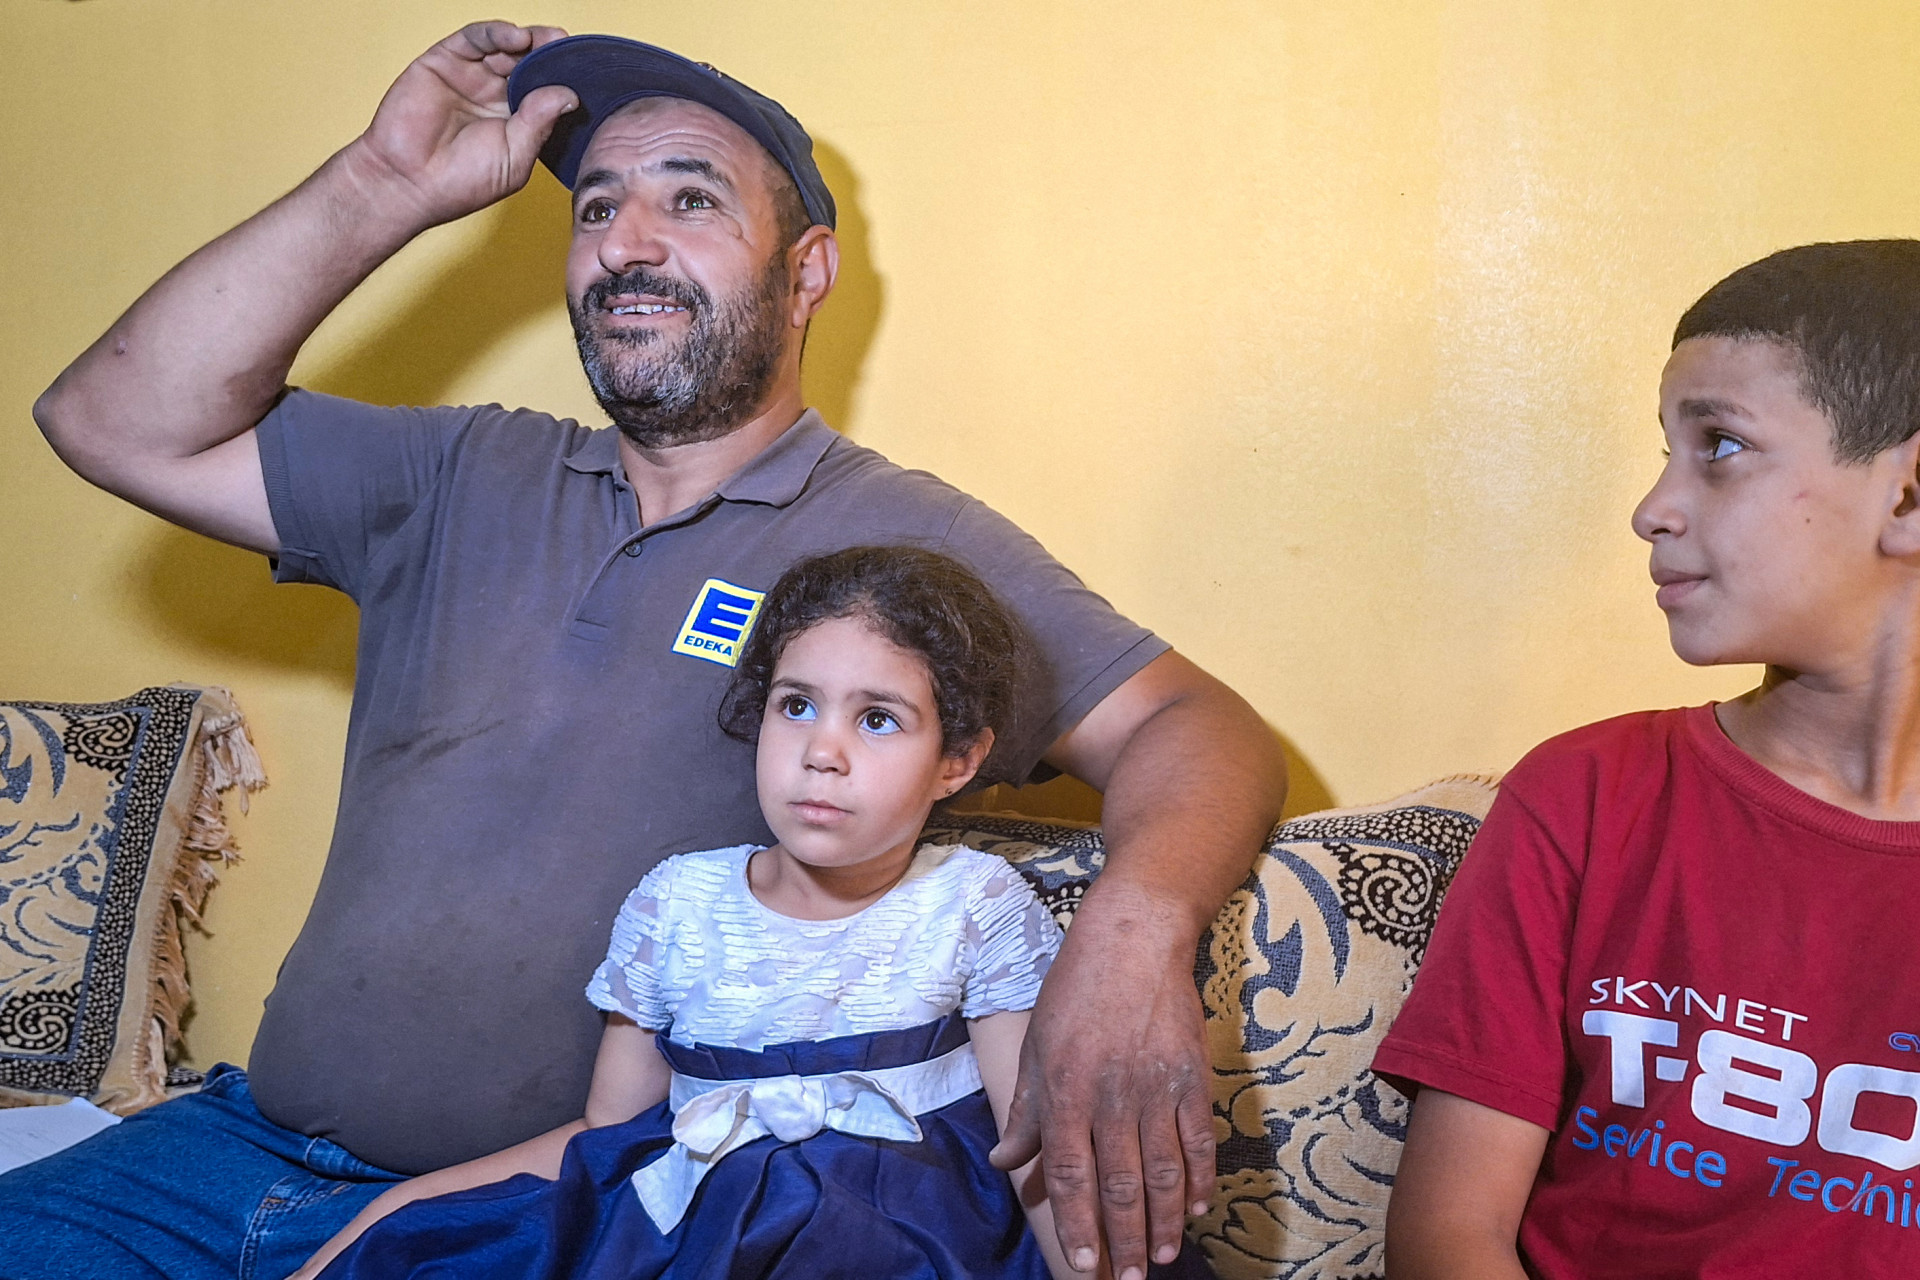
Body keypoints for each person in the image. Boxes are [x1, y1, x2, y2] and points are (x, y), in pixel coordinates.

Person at [17, 21, 1286, 1280]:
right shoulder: (457, 471)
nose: (626, 240)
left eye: (691, 199)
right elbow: (108, 419)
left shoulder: (904, 545)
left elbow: (1197, 728)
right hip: (235, 1145)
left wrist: (1132, 931)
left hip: (573, 1209)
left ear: (807, 272)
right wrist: (380, 184)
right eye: (597, 207)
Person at [291, 546, 1208, 1280]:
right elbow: (607, 1139)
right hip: (697, 1238)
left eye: (878, 719)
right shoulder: (676, 902)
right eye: (796, 705)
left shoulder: (975, 903)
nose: (822, 753)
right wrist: (401, 1205)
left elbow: (1037, 1151)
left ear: (957, 760)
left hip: (920, 1240)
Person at [1373, 240, 1920, 1278]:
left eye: (1721, 446)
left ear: (1908, 496)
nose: (1652, 508)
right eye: (1669, 449)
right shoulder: (1587, 795)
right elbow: (1448, 1236)